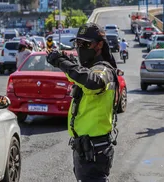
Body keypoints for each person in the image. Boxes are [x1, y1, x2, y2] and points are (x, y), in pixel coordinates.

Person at [46, 22, 120, 182]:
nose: (80, 47)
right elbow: (80, 76)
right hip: (84, 147)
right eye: (78, 43)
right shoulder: (90, 69)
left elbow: (93, 82)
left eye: (85, 44)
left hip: (95, 149)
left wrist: (62, 63)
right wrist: (67, 62)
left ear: (99, 45)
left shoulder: (103, 69)